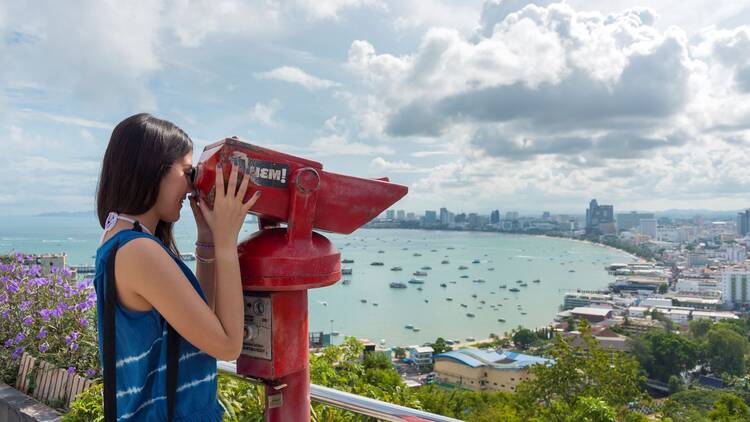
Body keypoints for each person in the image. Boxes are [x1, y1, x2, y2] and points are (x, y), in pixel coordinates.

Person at [94, 113, 261, 421]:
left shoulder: (123, 240)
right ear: (152, 170)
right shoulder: (138, 251)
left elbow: (202, 323)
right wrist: (227, 241)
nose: (191, 186)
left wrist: (208, 237)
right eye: (187, 172)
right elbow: (227, 345)